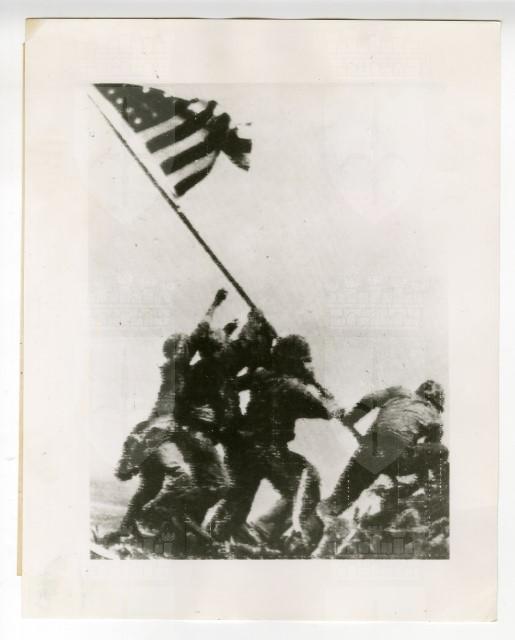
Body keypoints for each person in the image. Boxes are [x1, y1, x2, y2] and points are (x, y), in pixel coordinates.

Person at [205, 334, 338, 555]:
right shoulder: (294, 388)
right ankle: (264, 532)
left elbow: (232, 385)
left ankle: (211, 538)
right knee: (307, 481)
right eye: (306, 360)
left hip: (241, 447)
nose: (309, 365)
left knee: (238, 499)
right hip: (270, 450)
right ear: (296, 362)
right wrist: (319, 388)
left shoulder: (261, 375)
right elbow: (328, 411)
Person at [318, 380, 448, 521]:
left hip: (369, 451)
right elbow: (431, 450)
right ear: (436, 403)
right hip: (398, 458)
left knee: (338, 500)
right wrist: (417, 481)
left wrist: (352, 418)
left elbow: (370, 399)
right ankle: (399, 493)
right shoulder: (435, 417)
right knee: (441, 450)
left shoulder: (399, 392)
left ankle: (324, 512)